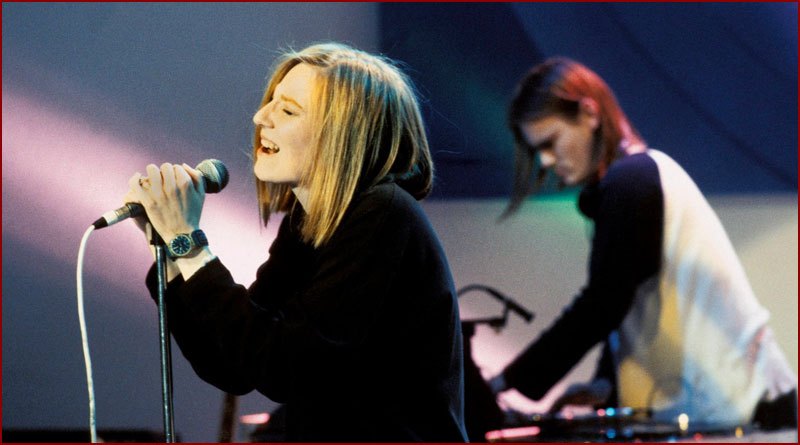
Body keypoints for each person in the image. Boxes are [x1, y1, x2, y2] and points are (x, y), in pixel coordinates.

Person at [123, 42, 468, 442]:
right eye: (270, 102)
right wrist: (171, 253)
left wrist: (190, 242)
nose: (260, 117)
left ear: (342, 135)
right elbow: (235, 366)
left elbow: (286, 367)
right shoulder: (308, 222)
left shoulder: (383, 212)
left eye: (287, 111)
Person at [488, 57, 797, 430]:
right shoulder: (638, 177)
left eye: (550, 142)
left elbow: (603, 302)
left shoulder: (632, 180)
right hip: (743, 406)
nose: (545, 160)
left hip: (755, 408)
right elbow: (626, 299)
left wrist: (504, 382)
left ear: (589, 114)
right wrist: (606, 383)